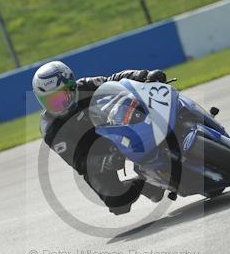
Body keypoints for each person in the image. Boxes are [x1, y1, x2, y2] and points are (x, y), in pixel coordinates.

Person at [32, 61, 167, 215]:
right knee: (118, 204)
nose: (56, 105)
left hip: (116, 129)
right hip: (94, 153)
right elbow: (77, 160)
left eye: (59, 98)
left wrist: (144, 75)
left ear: (71, 86)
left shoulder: (85, 86)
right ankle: (148, 183)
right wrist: (105, 161)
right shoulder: (49, 127)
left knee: (146, 120)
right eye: (48, 101)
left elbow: (116, 79)